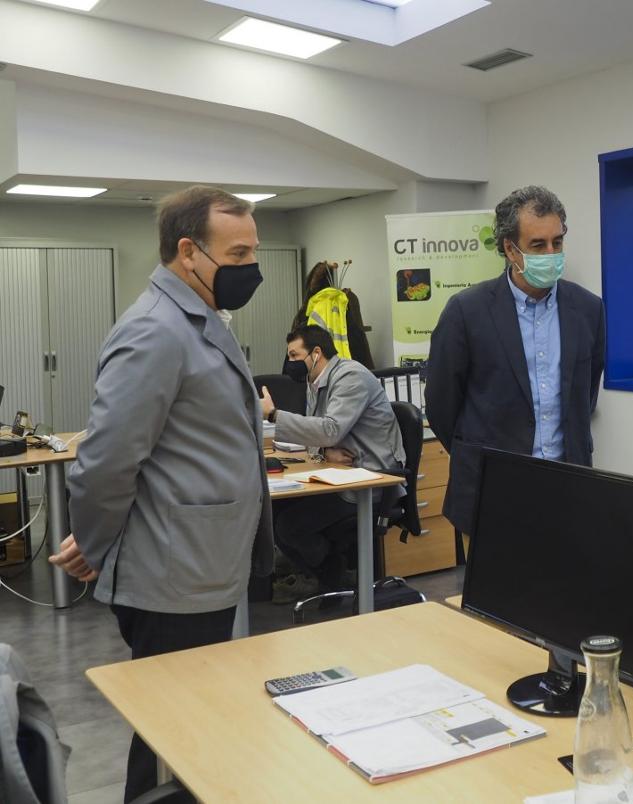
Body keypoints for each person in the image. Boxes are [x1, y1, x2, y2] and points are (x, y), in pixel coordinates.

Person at [49, 185, 273, 802]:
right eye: (238, 254)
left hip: (201, 563)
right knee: (172, 736)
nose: (251, 268)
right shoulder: (155, 330)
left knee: (187, 725)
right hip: (175, 573)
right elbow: (105, 462)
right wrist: (93, 545)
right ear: (188, 252)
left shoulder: (197, 317)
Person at [426, 185, 605, 534]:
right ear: (510, 248)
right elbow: (441, 406)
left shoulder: (588, 309)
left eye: (558, 242)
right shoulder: (467, 311)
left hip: (568, 486)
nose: (551, 253)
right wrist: (477, 455)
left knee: (565, 587)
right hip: (492, 490)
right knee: (494, 589)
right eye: (538, 245)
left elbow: (586, 395)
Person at [260, 324, 404, 594]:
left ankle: (331, 573)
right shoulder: (316, 380)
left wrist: (273, 415)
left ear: (316, 352)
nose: (289, 362)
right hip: (338, 476)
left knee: (289, 526)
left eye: (294, 355)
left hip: (368, 481)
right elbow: (317, 436)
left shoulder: (350, 377)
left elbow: (328, 430)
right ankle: (326, 571)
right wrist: (325, 452)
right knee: (276, 511)